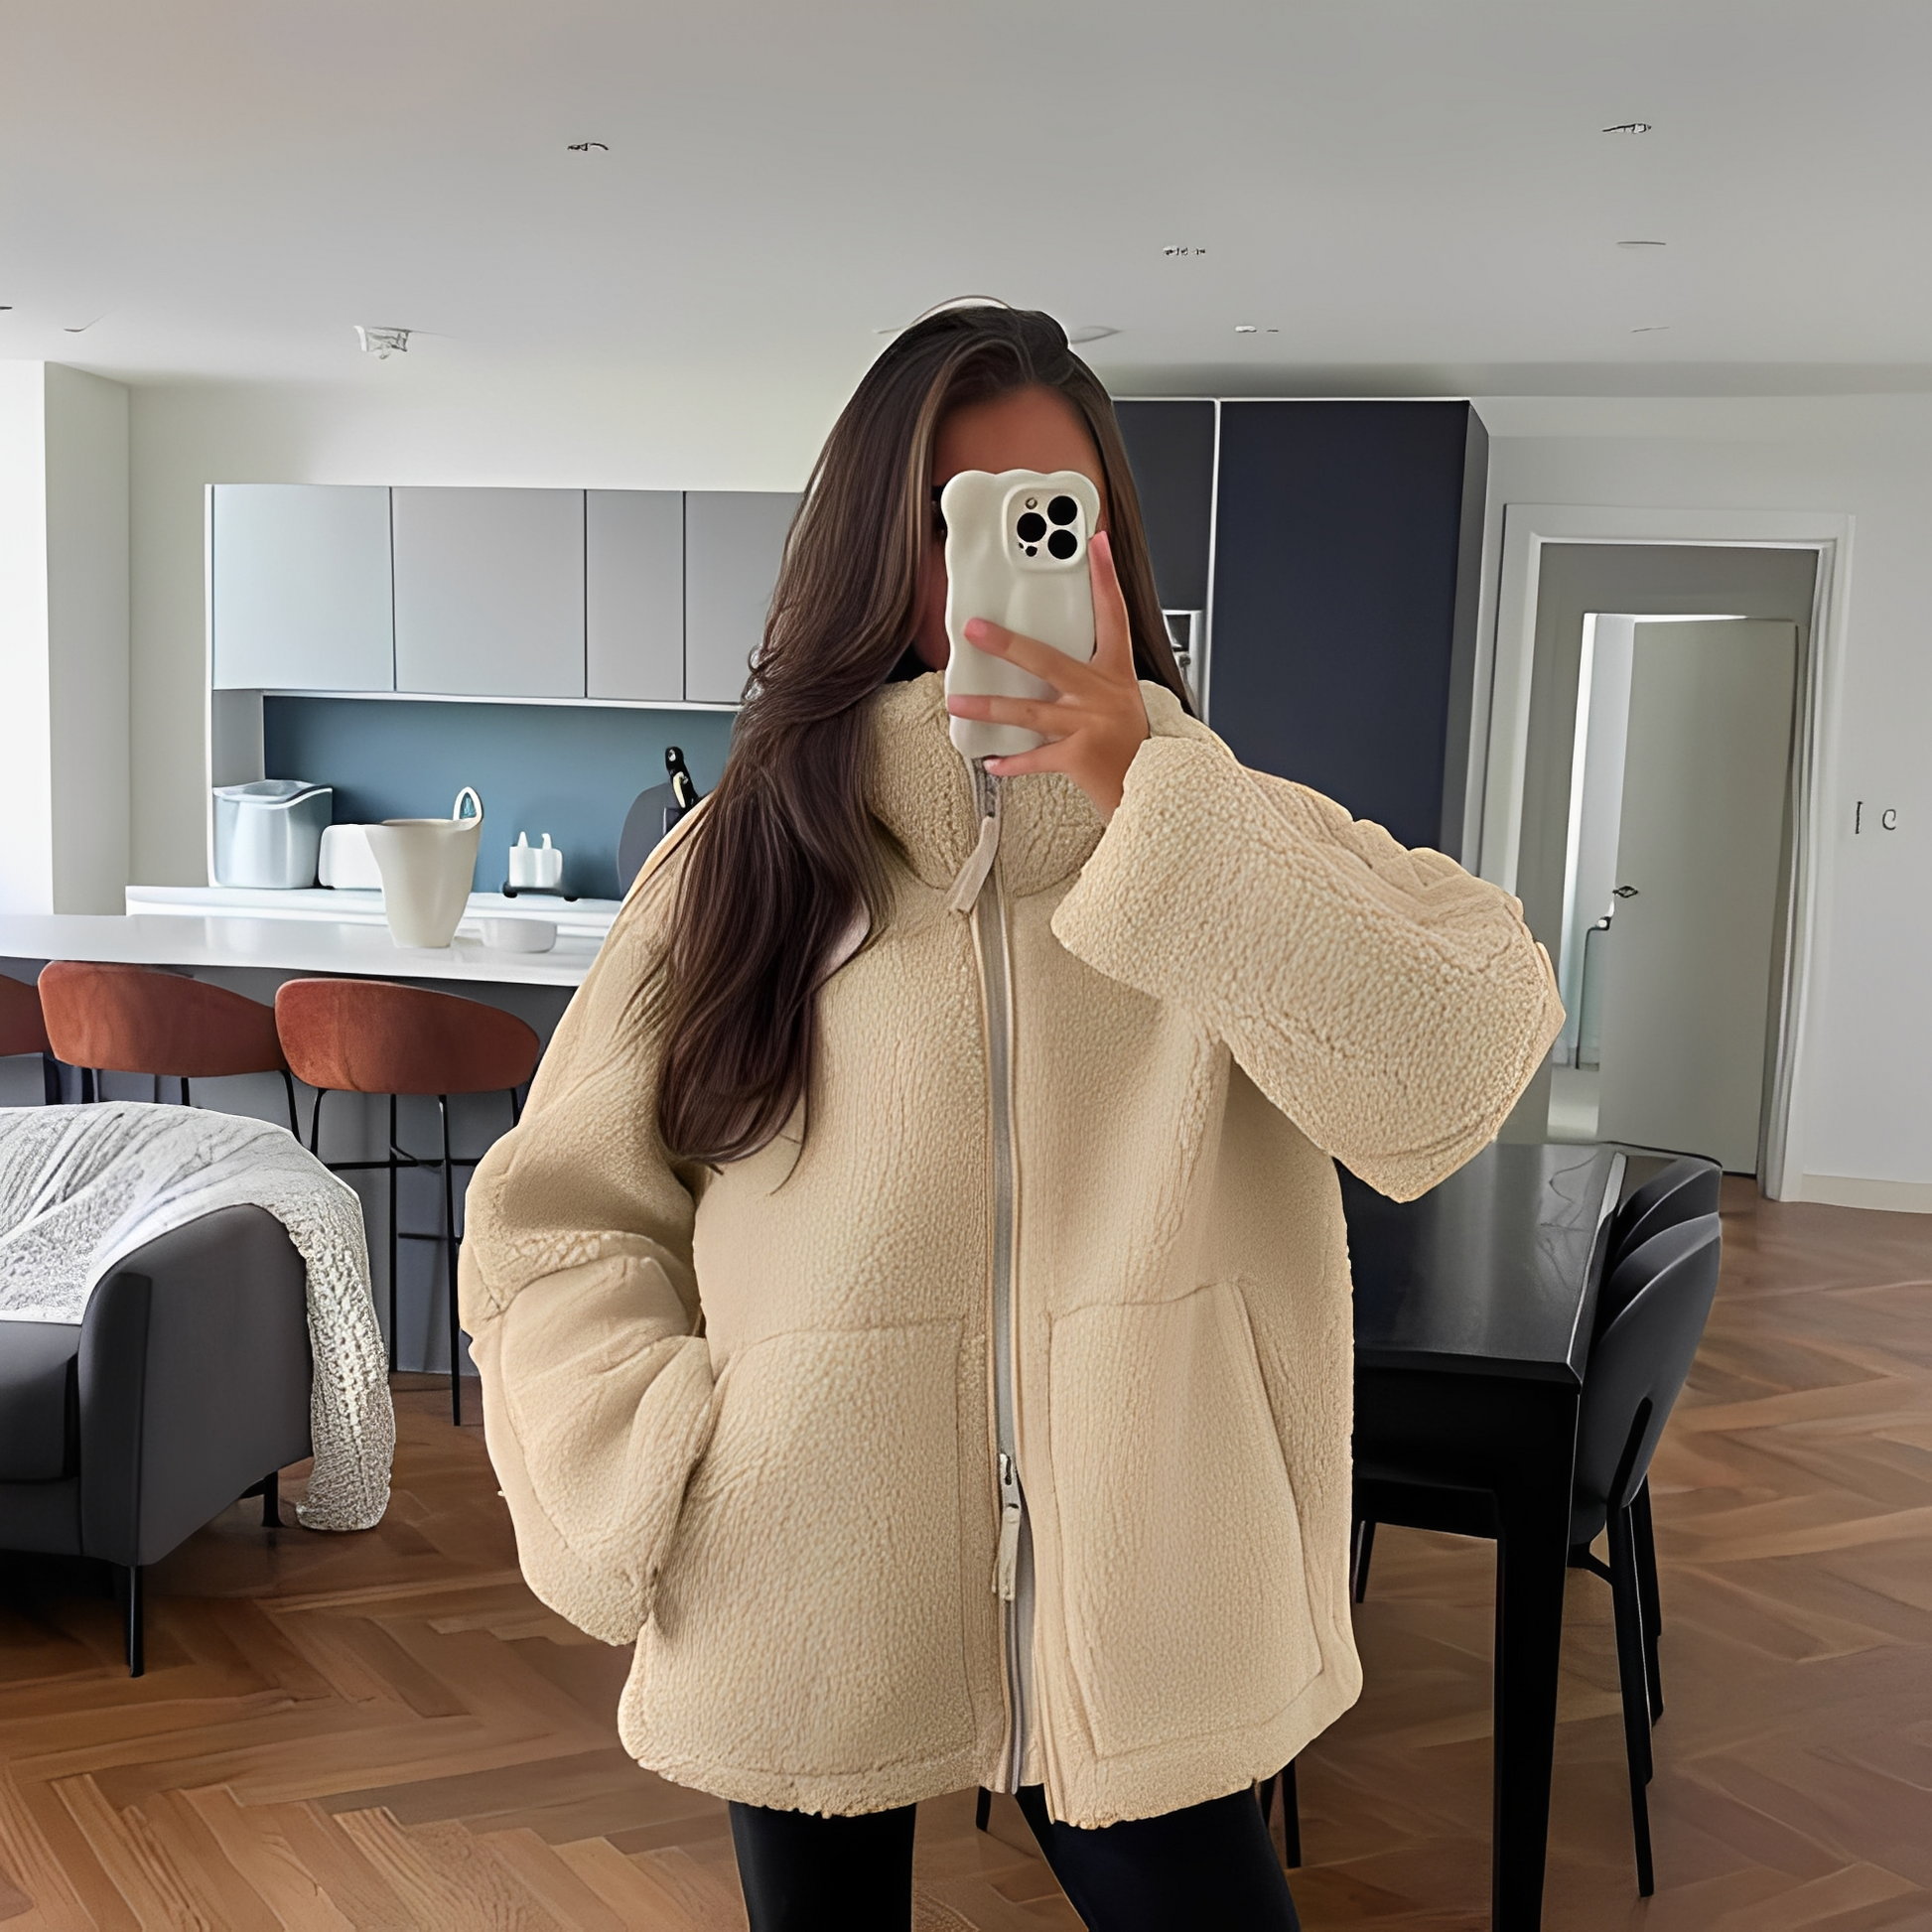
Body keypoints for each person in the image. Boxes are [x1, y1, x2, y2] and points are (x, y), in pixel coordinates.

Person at [459, 305, 1563, 1930]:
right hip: (797, 1569)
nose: (999, 564)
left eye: (1051, 516)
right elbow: (556, 1219)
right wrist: (655, 1464)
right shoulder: (744, 862)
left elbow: (1457, 1057)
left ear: (1108, 551)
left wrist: (1147, 795)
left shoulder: (1225, 836)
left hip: (1156, 1588)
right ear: (869, 549)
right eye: (951, 520)